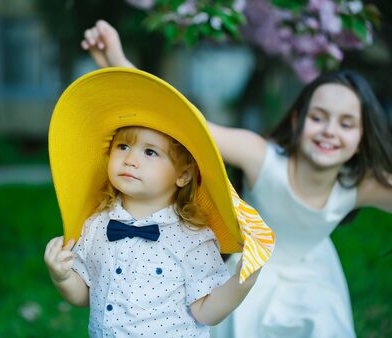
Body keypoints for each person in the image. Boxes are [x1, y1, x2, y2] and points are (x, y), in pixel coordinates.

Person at [81, 20, 392, 337]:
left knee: (321, 321)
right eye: (318, 117)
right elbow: (188, 121)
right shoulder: (262, 157)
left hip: (315, 276)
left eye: (347, 124)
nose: (329, 131)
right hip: (252, 271)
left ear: (362, 137)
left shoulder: (361, 185)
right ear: (298, 119)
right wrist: (116, 61)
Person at [44, 68, 274, 337]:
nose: (130, 159)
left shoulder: (193, 238)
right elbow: (84, 295)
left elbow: (206, 311)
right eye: (123, 147)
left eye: (150, 152)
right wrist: (62, 276)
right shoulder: (96, 225)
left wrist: (243, 281)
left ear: (183, 174)